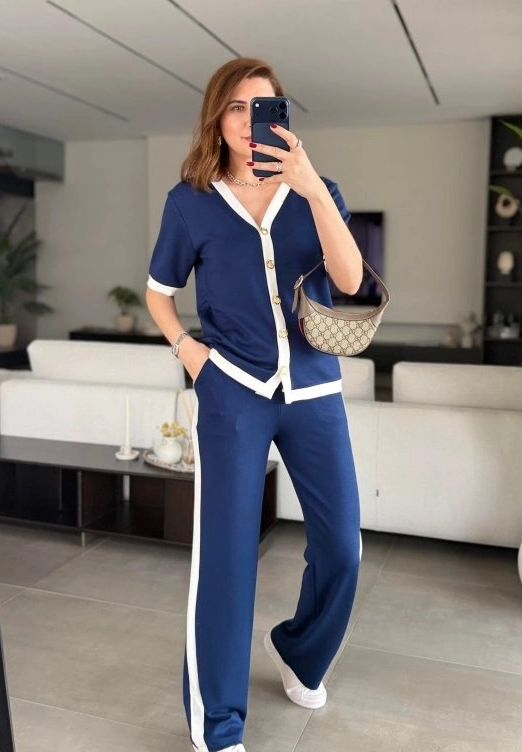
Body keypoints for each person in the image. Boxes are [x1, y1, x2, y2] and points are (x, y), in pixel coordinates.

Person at [145, 57, 363, 752]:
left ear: (282, 117)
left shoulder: (316, 191)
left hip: (315, 391)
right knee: (227, 560)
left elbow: (349, 280)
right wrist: (190, 352)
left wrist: (312, 188)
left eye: (262, 107)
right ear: (217, 119)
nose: (248, 121)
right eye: (235, 108)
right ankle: (219, 725)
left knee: (342, 547)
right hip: (232, 392)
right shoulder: (190, 202)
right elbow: (158, 292)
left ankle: (299, 649)